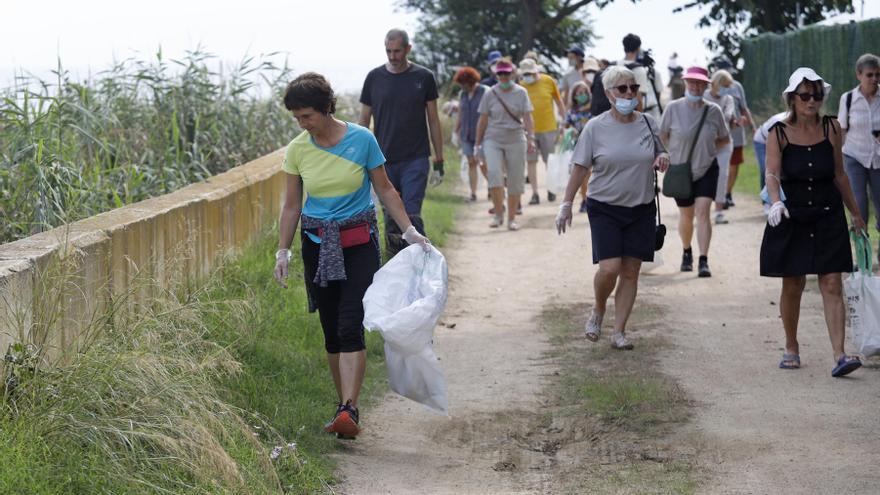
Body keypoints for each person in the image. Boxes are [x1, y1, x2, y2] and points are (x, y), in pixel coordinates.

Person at [274, 73, 431, 439]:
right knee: (331, 330)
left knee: (350, 323)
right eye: (297, 118)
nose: (303, 124)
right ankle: (342, 404)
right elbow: (292, 205)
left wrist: (408, 230)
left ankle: (350, 407)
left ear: (327, 108)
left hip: (358, 242)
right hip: (317, 244)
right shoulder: (298, 149)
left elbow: (386, 188)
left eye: (308, 115)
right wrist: (283, 251)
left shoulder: (362, 140)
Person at [760, 67, 865, 377]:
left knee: (832, 282)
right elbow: (771, 173)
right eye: (805, 95)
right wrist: (775, 200)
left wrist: (856, 213)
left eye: (817, 95)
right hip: (793, 213)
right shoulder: (777, 132)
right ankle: (791, 346)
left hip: (827, 213)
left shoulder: (833, 128)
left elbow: (840, 174)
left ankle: (840, 355)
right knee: (793, 283)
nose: (812, 100)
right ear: (792, 98)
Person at [556, 65, 670, 349]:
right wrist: (567, 204)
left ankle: (619, 332)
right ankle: (598, 309)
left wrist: (663, 157)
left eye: (633, 88)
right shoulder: (595, 127)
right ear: (609, 94)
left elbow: (660, 151)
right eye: (622, 89)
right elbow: (580, 167)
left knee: (631, 272)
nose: (630, 93)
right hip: (604, 206)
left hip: (641, 207)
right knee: (609, 269)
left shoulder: (647, 123)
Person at [358, 28, 444, 256]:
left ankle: (422, 260)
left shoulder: (424, 77)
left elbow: (433, 120)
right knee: (390, 215)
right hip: (383, 159)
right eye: (388, 51)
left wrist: (439, 158)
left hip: (416, 157)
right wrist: (358, 157)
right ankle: (395, 263)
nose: (393, 56)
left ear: (408, 49)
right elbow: (364, 120)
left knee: (411, 212)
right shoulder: (374, 78)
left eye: (397, 51)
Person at [660, 66, 730, 277]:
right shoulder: (672, 108)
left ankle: (703, 260)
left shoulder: (713, 111)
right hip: (681, 172)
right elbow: (662, 136)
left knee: (703, 212)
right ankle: (687, 251)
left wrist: (707, 152)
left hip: (707, 169)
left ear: (706, 86)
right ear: (685, 83)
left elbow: (724, 138)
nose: (696, 86)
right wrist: (667, 155)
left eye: (701, 83)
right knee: (686, 215)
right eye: (692, 82)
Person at [474, 59, 536, 231]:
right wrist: (477, 145)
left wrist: (531, 138)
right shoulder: (490, 93)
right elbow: (483, 119)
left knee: (516, 179)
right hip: (493, 138)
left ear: (513, 74)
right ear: (496, 75)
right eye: (500, 73)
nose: (503, 76)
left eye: (506, 73)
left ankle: (511, 218)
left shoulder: (521, 92)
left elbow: (528, 117)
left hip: (516, 138)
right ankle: (498, 214)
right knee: (494, 175)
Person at [839, 53, 880, 256]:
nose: (874, 79)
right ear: (859, 75)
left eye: (878, 75)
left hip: (878, 160)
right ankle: (863, 258)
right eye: (869, 74)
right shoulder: (847, 100)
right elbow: (842, 131)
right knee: (859, 207)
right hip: (854, 157)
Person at [518, 57, 566, 204]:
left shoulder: (548, 81)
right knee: (531, 162)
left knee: (549, 162)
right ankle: (534, 193)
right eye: (525, 74)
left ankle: (551, 189)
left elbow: (559, 102)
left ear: (536, 71)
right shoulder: (520, 85)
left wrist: (564, 122)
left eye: (529, 73)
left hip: (548, 128)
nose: (527, 76)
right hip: (528, 131)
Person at [703, 70, 736, 225]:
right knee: (703, 175)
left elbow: (728, 116)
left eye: (728, 86)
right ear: (717, 83)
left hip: (724, 143)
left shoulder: (728, 99)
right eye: (725, 85)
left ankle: (719, 211)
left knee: (722, 176)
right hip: (705, 145)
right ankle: (701, 208)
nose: (726, 89)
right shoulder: (704, 97)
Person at [453, 67, 490, 202]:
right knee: (471, 163)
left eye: (465, 84)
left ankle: (493, 187)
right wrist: (455, 131)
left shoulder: (485, 92)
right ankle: (473, 193)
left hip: (483, 134)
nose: (463, 87)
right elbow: (461, 114)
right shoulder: (462, 94)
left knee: (483, 162)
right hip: (466, 134)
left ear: (472, 82)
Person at [619, 33, 663, 120]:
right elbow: (639, 98)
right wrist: (641, 120)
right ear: (639, 48)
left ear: (624, 47)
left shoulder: (615, 67)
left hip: (620, 114)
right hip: (645, 113)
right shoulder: (642, 70)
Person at [753, 112, 790, 215]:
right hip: (761, 141)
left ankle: (783, 200)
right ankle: (767, 203)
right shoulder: (780, 122)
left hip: (778, 142)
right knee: (766, 170)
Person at [566, 81, 592, 213]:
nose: (582, 95)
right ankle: (585, 200)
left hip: (594, 146)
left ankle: (591, 199)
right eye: (579, 93)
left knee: (592, 175)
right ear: (574, 96)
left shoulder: (593, 110)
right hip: (578, 147)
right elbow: (566, 126)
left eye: (584, 93)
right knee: (584, 174)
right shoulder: (571, 112)